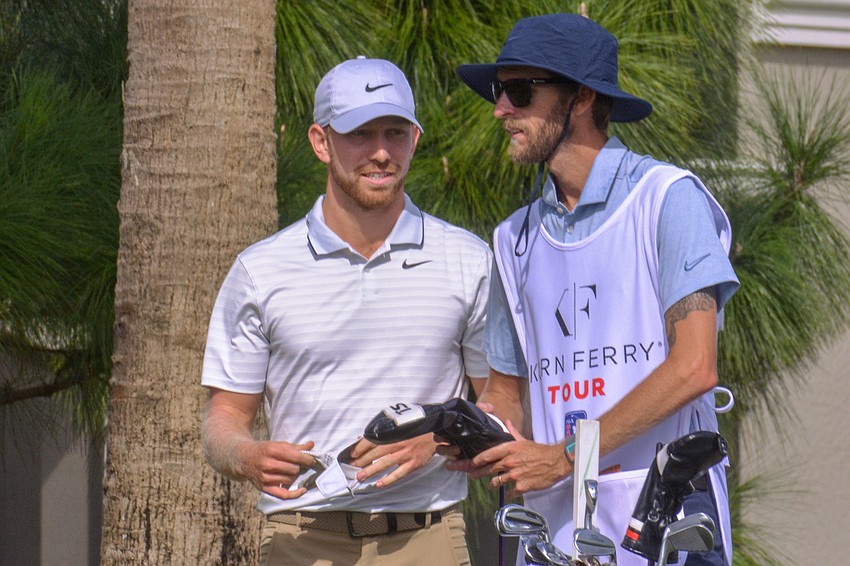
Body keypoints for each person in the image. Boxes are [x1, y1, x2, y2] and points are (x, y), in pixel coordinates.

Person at [450, 13, 739, 566]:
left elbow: (696, 366)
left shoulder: (667, 199)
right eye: (499, 91)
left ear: (581, 98)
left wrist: (565, 458)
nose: (499, 110)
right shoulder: (512, 240)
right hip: (551, 524)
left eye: (518, 91)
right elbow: (507, 393)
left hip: (667, 515)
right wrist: (476, 431)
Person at [200, 56, 491, 566]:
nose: (381, 152)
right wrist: (247, 456)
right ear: (320, 141)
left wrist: (439, 435)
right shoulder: (260, 270)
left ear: (415, 138)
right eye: (360, 133)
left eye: (395, 132)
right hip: (299, 539)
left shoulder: (469, 260)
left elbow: (503, 407)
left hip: (427, 540)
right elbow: (224, 417)